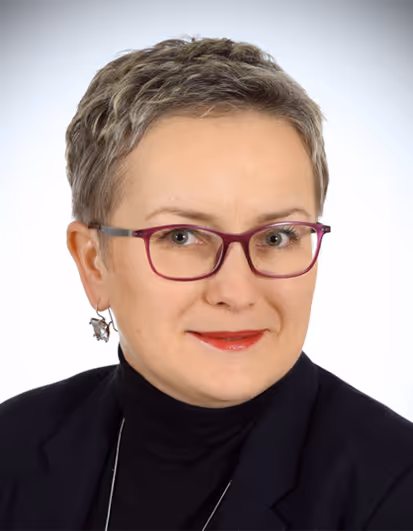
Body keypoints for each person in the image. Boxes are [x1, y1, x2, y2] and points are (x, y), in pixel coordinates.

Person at [1, 35, 413, 531]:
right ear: (94, 263)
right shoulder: (11, 447)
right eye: (181, 236)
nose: (237, 292)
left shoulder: (396, 489)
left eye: (277, 236)